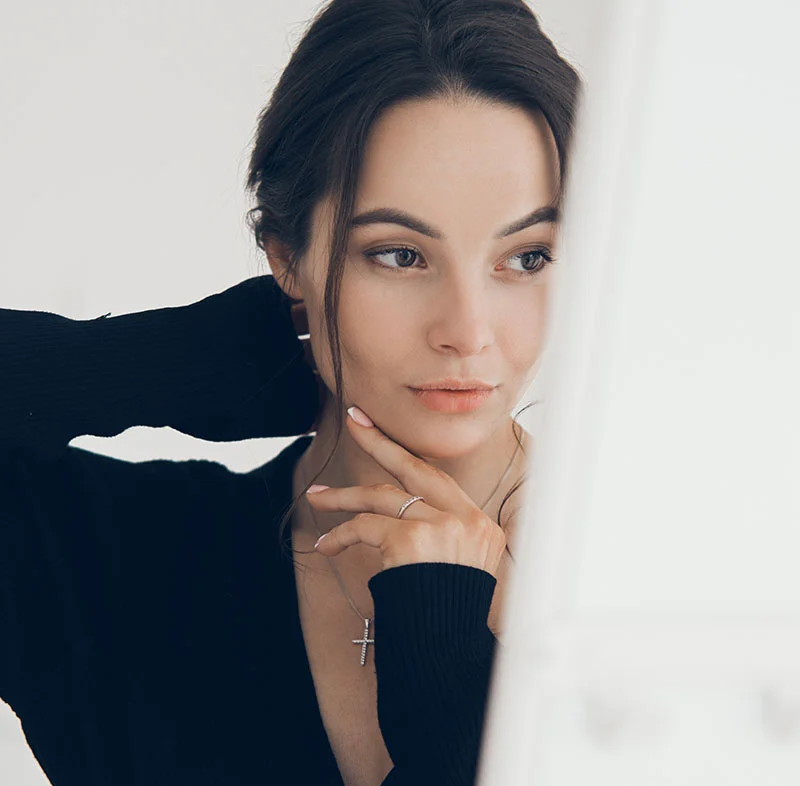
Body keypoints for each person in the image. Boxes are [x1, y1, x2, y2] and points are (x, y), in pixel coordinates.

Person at [0, 0, 581, 784]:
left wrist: (447, 653)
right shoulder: (117, 562)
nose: (467, 331)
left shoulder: (656, 591)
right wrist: (161, 364)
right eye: (400, 255)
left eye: (529, 257)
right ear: (286, 256)